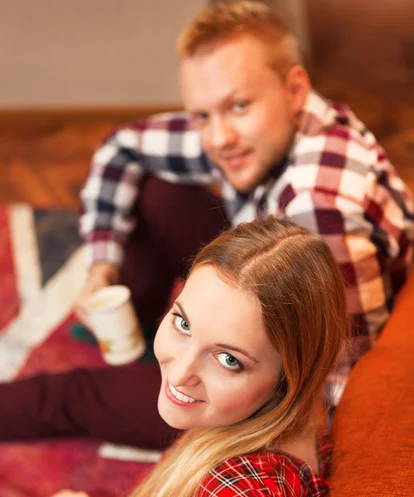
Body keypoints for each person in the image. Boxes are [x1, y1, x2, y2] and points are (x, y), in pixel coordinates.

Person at [0, 1, 413, 448]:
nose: (218, 138)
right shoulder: (274, 130)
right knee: (159, 193)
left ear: (294, 89)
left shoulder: (319, 212)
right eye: (202, 115)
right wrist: (103, 264)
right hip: (255, 287)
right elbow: (120, 147)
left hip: (265, 381)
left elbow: (336, 388)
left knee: (75, 395)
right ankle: (132, 330)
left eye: (238, 105)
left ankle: (128, 370)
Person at [0, 217, 347, 497]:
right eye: (182, 323)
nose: (180, 374)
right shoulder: (291, 427)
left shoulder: (234, 496)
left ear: (288, 379)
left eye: (229, 360)